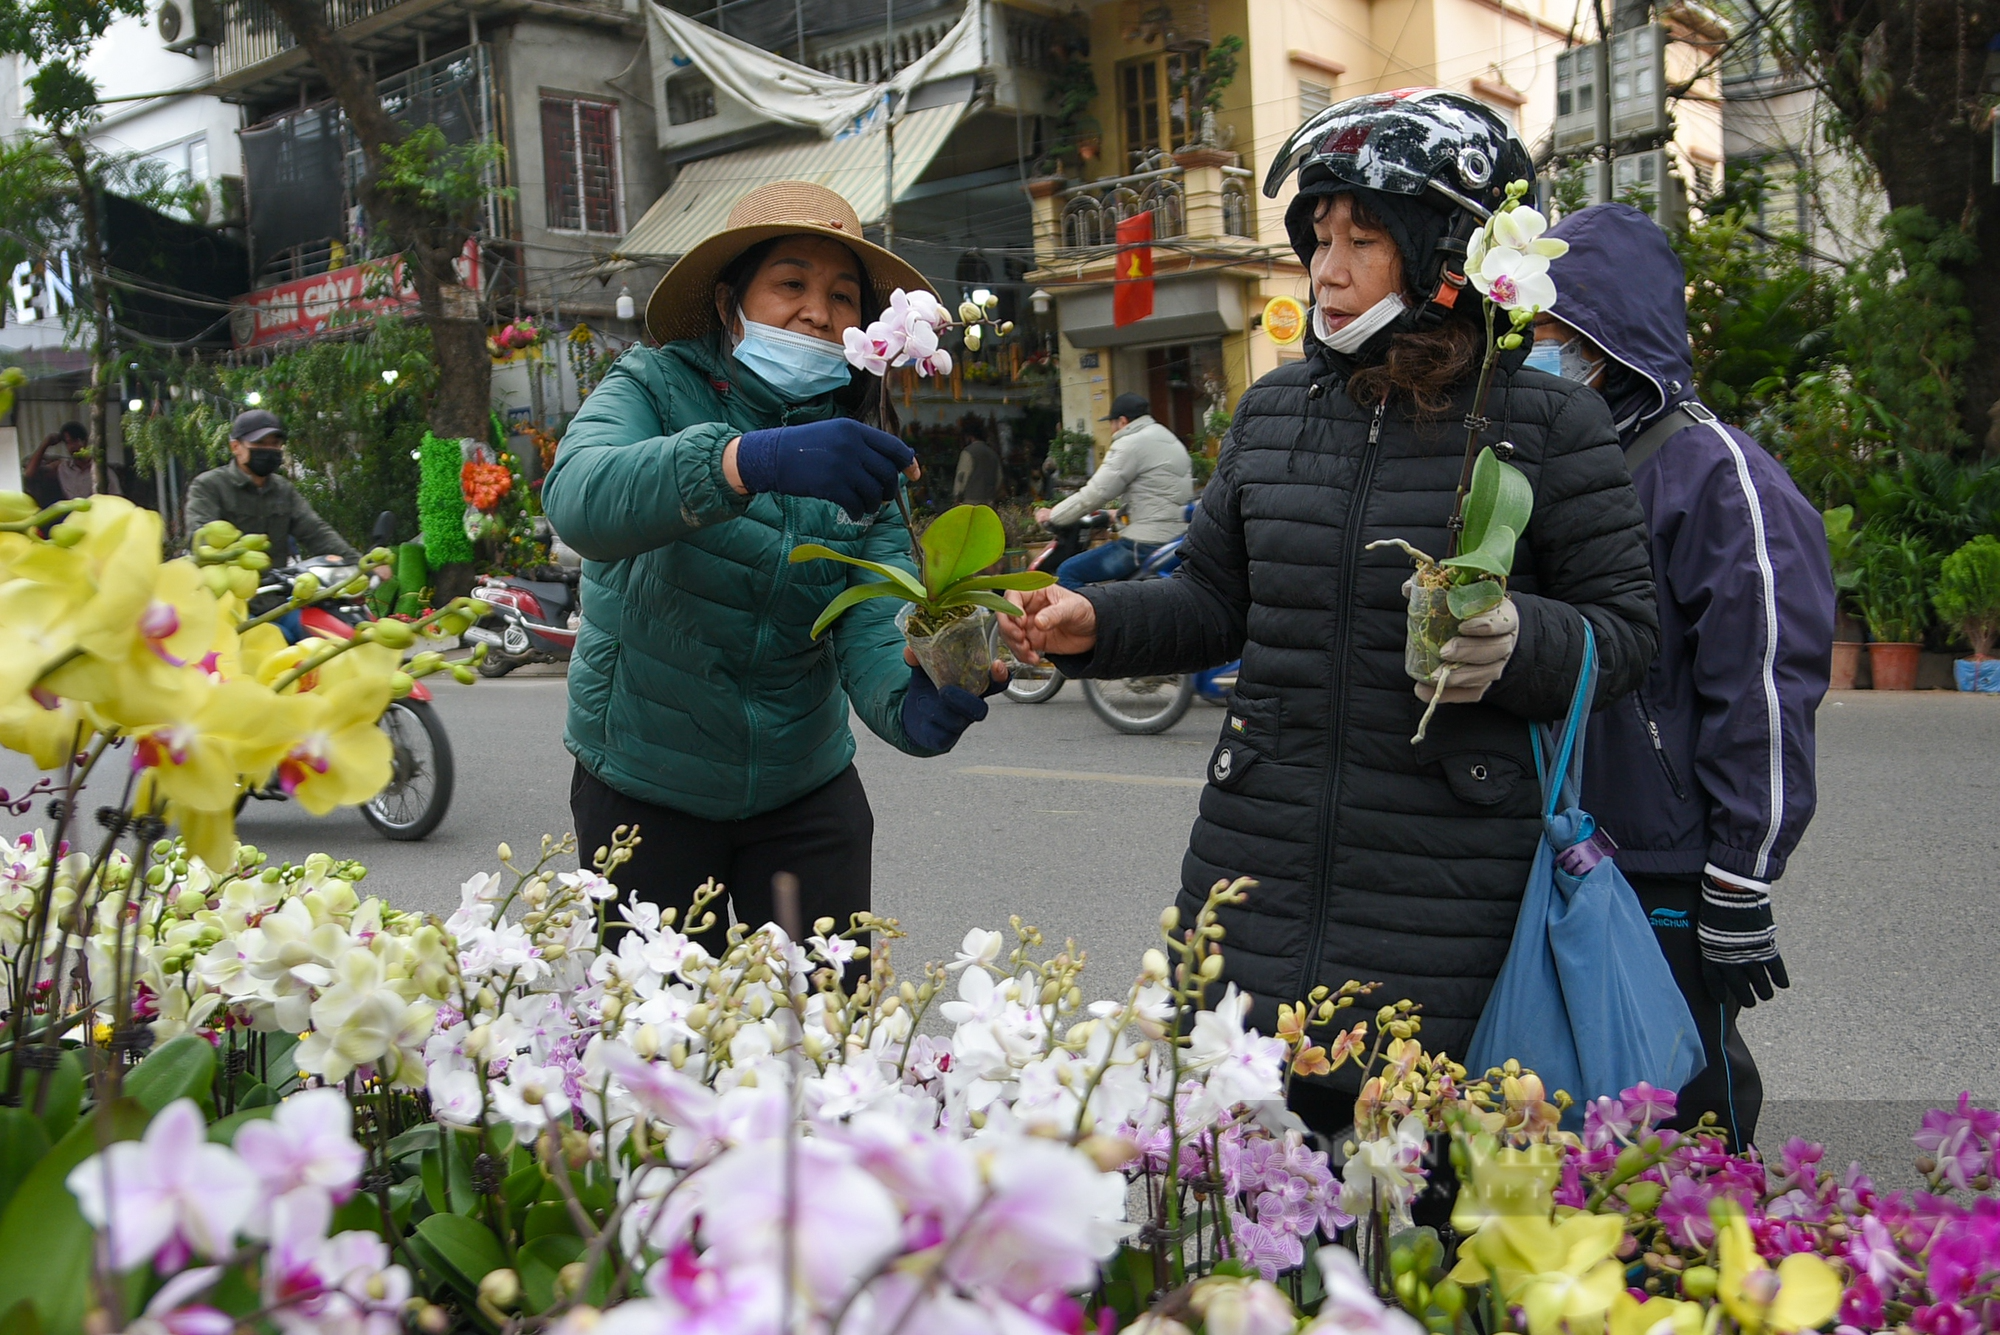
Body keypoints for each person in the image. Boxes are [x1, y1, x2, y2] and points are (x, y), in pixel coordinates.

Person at [1000, 90, 1660, 1132]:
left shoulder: (1543, 416)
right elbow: (1216, 598)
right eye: (1317, 237)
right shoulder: (1273, 412)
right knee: (1252, 1197)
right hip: (1254, 862)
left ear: (1445, 251)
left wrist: (1516, 641)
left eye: (1362, 240)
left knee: (1425, 1211)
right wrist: (1096, 623)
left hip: (1449, 894)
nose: (1327, 270)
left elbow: (1626, 631)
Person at [541, 180, 1003, 956]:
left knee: (819, 1037)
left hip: (802, 785)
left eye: (842, 295)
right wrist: (742, 461)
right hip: (647, 780)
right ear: (730, 303)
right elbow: (579, 499)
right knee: (665, 1049)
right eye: (790, 284)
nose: (818, 312)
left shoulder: (857, 441)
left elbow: (871, 611)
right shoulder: (653, 385)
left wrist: (915, 692)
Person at [1538, 203, 1835, 1147]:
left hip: (1665, 854)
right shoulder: (1563, 461)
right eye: (1534, 332)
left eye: (1558, 334)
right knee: (1566, 1101)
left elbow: (1766, 687)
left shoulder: (1714, 475)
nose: (1539, 352)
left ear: (1611, 339)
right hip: (1557, 836)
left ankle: (1713, 1277)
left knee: (1683, 1101)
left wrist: (1742, 877)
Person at [1034, 392, 1192, 588]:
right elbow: (1157, 492)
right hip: (1175, 538)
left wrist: (1054, 515)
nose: (1110, 429)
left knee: (1068, 572)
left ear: (1122, 421)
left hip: (1144, 543)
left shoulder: (1130, 443)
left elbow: (1096, 493)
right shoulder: (1168, 438)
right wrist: (1117, 514)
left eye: (1111, 423)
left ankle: (1091, 618)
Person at [24, 421, 121, 501]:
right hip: (71, 515)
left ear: (85, 441)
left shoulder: (103, 471)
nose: (72, 447)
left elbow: (118, 499)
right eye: (68, 443)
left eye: (75, 441)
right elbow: (29, 473)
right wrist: (45, 444)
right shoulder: (62, 467)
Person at [951, 419, 1002, 506]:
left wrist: (957, 495)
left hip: (970, 501)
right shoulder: (992, 453)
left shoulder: (968, 452)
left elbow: (962, 476)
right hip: (989, 501)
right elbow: (999, 478)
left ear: (969, 437)